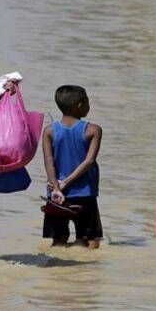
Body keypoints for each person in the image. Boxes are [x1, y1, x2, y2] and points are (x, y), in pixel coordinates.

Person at [41, 85, 103, 248]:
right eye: (88, 101)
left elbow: (48, 161)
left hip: (56, 195)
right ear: (81, 105)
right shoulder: (93, 130)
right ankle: (88, 272)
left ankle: (58, 271)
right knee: (90, 240)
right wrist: (66, 182)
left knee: (58, 240)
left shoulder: (49, 130)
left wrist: (56, 186)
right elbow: (89, 161)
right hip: (85, 193)